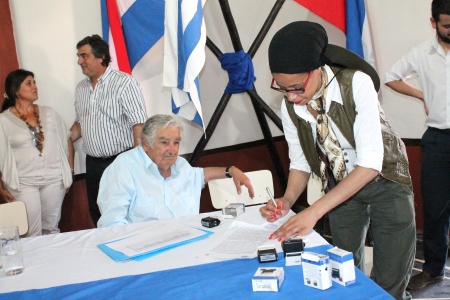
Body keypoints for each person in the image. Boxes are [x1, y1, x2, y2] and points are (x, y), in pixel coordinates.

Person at [260, 21, 416, 300]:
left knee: (392, 271)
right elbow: (300, 163)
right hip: (339, 183)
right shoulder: (290, 105)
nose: (292, 97)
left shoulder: (356, 83)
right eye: (282, 89)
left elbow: (369, 164)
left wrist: (314, 211)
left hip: (385, 179)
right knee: (342, 266)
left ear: (317, 68)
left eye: (296, 87)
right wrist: (287, 199)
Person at [385, 0, 450, 290]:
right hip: (437, 141)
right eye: (448, 25)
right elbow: (390, 78)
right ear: (433, 22)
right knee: (435, 210)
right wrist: (421, 95)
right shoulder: (421, 54)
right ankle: (434, 270)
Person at [97, 114, 254, 227]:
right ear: (145, 143)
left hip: (187, 242)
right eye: (165, 142)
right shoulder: (124, 167)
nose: (172, 150)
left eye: (176, 142)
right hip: (146, 249)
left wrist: (230, 170)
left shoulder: (180, 165)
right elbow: (112, 223)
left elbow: (200, 175)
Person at [71, 35, 148, 226]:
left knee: (125, 210)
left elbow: (138, 124)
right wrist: (59, 138)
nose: (80, 61)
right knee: (97, 210)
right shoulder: (81, 88)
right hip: (93, 164)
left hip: (120, 160)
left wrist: (136, 161)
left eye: (84, 56)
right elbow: (80, 123)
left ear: (101, 57)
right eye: (79, 56)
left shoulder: (124, 83)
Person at [0, 69, 73, 236]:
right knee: (30, 232)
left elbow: (67, 138)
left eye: (34, 82)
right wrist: (1, 187)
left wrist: (69, 170)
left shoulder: (50, 113)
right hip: (24, 182)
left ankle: (53, 261)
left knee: (51, 228)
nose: (34, 87)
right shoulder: (3, 121)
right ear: (15, 90)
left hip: (54, 179)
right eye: (28, 83)